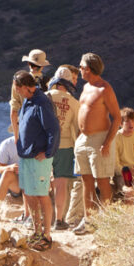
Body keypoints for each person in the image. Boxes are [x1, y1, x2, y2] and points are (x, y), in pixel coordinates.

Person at [71, 52, 120, 234]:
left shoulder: (104, 89)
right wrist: (78, 138)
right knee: (86, 180)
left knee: (102, 181)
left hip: (100, 138)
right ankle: (89, 220)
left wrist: (107, 142)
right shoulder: (85, 87)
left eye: (81, 67)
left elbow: (117, 117)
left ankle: (106, 222)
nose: (80, 69)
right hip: (83, 139)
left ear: (89, 69)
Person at [12, 68, 59, 250]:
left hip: (39, 158)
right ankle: (36, 231)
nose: (16, 91)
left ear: (24, 87)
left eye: (17, 88)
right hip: (27, 155)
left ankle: (46, 235)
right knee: (29, 193)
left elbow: (53, 129)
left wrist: (48, 152)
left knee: (41, 195)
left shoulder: (41, 102)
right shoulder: (28, 101)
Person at [45, 66, 82, 230]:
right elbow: (77, 128)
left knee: (42, 183)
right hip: (65, 146)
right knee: (61, 184)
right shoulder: (74, 103)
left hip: (44, 146)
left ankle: (41, 220)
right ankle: (58, 220)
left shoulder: (45, 97)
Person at [11, 48, 52, 135]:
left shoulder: (18, 81)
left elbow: (13, 111)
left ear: (29, 63)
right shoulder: (50, 82)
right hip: (43, 129)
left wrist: (16, 136)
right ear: (43, 66)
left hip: (24, 127)